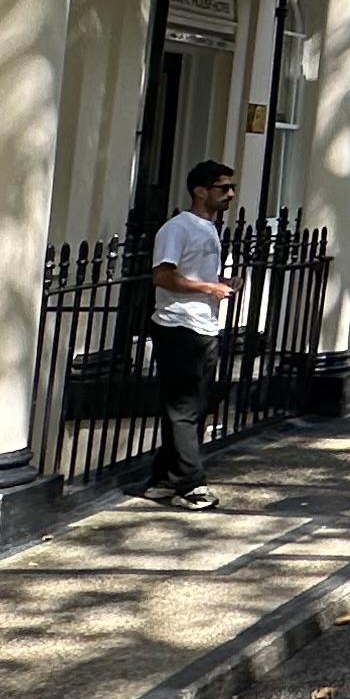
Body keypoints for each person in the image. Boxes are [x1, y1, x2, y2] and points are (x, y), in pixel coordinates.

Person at [146, 160, 237, 506]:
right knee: (183, 406)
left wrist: (222, 284)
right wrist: (207, 289)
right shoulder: (176, 229)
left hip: (203, 326)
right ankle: (190, 484)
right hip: (177, 325)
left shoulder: (210, 228)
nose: (229, 195)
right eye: (222, 188)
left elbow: (196, 277)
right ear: (200, 191)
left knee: (195, 405)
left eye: (231, 188)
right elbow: (163, 277)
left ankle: (164, 479)